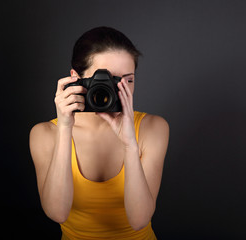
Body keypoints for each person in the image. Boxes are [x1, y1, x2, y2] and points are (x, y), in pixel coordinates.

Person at [29, 26, 169, 240]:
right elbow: (57, 213)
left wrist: (130, 143)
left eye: (127, 80)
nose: (117, 90)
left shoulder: (153, 128)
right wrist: (65, 127)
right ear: (75, 79)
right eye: (105, 79)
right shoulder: (45, 133)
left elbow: (139, 220)